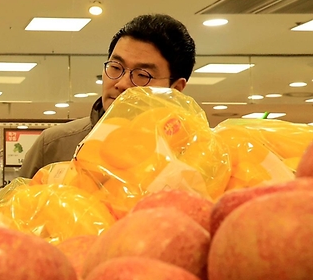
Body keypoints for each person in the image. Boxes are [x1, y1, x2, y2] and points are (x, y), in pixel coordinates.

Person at [18, 14, 195, 178]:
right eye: (116, 67)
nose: (122, 83)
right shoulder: (54, 146)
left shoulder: (197, 153)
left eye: (142, 75)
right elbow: (15, 210)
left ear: (175, 89)